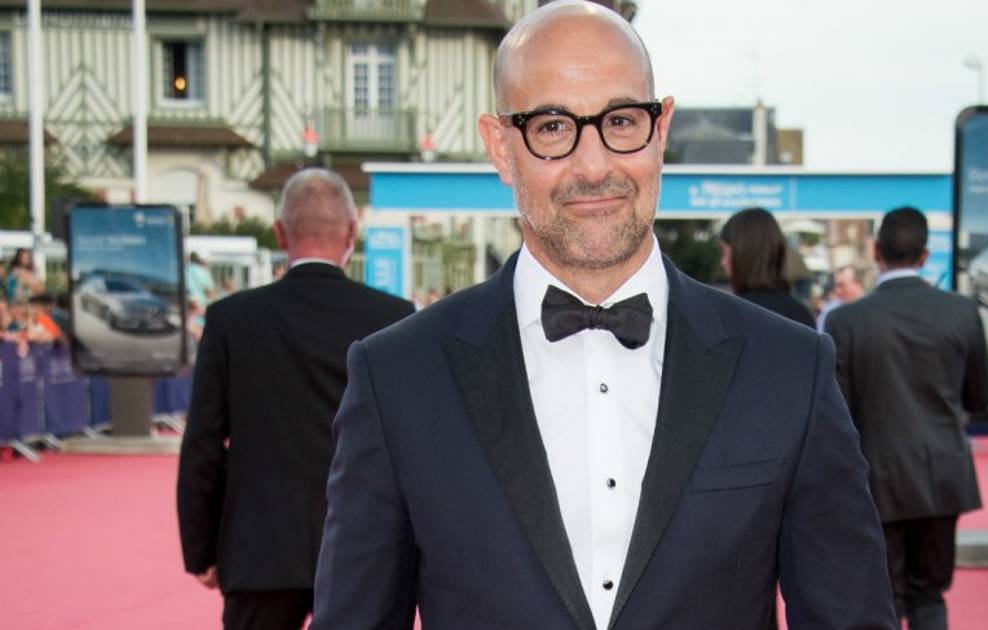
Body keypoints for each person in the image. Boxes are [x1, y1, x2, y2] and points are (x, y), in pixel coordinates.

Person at [312, 3, 895, 629]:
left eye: (620, 121)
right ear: (501, 147)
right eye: (552, 127)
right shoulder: (398, 376)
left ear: (660, 129)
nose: (593, 167)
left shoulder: (788, 368)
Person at [176, 168, 415, 630]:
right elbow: (412, 445)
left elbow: (203, 443)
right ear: (352, 233)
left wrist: (200, 548)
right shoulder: (393, 318)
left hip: (258, 551)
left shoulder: (230, 319)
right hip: (366, 551)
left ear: (280, 233)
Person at [824, 207, 988, 630]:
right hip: (942, 477)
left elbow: (837, 414)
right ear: (925, 255)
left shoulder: (846, 320)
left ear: (876, 252)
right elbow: (980, 397)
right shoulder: (962, 311)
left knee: (881, 597)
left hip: (874, 481)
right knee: (929, 594)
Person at [718, 207, 815, 327]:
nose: (723, 262)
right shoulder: (802, 315)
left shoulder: (728, 316)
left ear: (741, 253)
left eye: (724, 252)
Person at [817, 264, 866, 332]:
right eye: (836, 285)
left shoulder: (872, 310)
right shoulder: (829, 311)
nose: (837, 290)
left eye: (841, 285)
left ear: (858, 284)